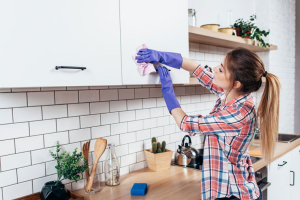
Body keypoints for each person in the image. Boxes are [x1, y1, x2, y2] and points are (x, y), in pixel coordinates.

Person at [135, 47, 281, 200]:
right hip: (229, 190)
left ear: (236, 83)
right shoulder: (232, 95)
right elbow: (197, 69)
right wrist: (162, 55)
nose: (215, 69)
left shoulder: (238, 113)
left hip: (233, 195)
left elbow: (185, 123)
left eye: (222, 69)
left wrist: (167, 91)